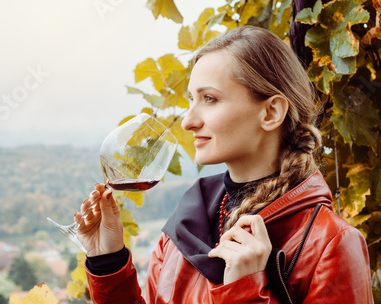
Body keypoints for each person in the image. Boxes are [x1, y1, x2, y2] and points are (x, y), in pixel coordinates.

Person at [74, 26, 373, 303]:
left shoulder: (331, 244)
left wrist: (244, 292)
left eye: (210, 98)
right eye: (191, 99)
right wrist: (108, 261)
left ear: (270, 113)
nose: (189, 121)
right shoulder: (184, 225)